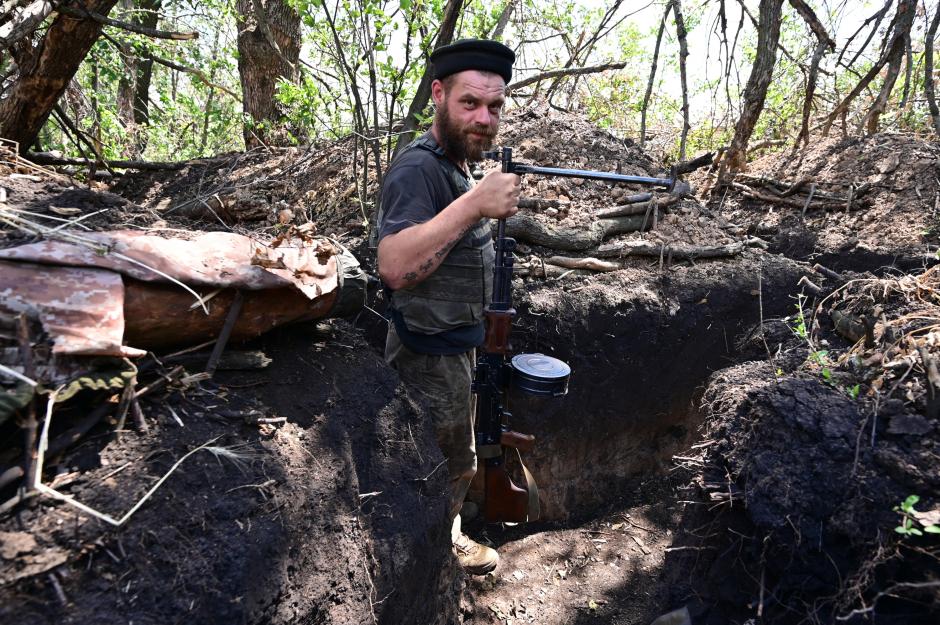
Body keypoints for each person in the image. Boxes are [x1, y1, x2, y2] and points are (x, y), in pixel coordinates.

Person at [376, 39, 520, 575]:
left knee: (454, 456)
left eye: (495, 107)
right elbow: (394, 264)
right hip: (427, 356)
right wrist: (476, 203)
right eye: (469, 103)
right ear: (438, 94)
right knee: (445, 464)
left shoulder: (455, 164)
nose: (484, 118)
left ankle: (445, 534)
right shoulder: (419, 169)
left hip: (454, 346)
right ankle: (433, 556)